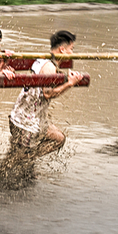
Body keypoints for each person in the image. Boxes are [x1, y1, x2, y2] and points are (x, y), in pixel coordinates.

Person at [7, 31, 83, 162]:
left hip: (25, 117)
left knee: (59, 138)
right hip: (26, 123)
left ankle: (25, 160)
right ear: (62, 50)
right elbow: (47, 94)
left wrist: (67, 78)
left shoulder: (44, 61)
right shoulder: (49, 67)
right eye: (72, 49)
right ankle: (19, 163)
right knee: (18, 160)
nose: (73, 53)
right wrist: (70, 84)